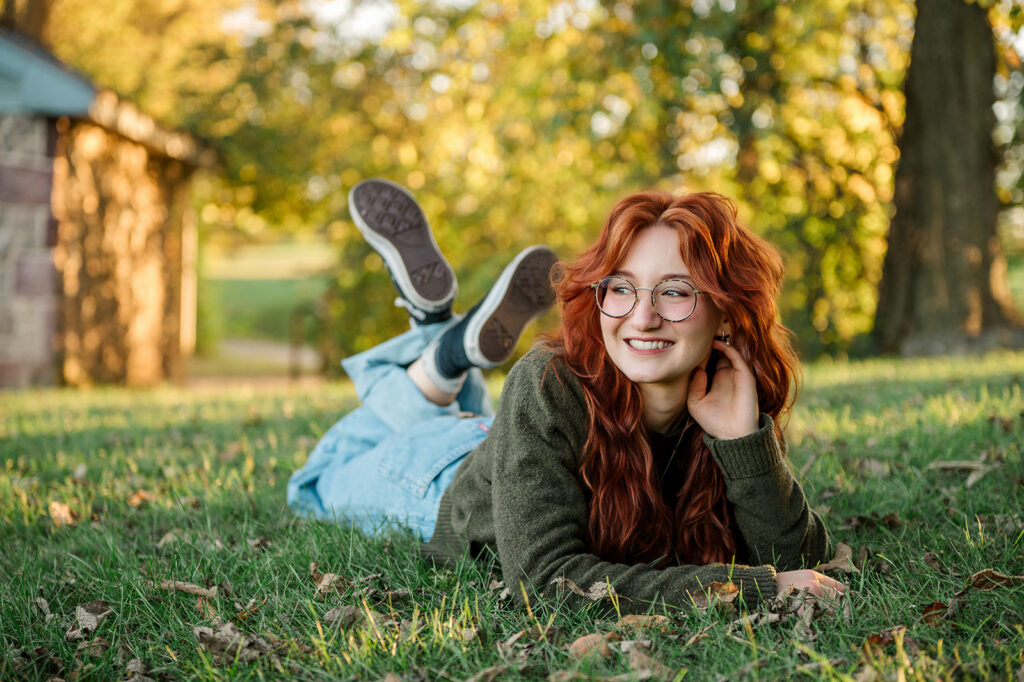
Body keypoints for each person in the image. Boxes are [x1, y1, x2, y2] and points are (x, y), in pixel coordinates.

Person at [288, 178, 844, 614]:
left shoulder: (733, 395)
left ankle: (439, 344)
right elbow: (545, 582)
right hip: (430, 479)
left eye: (675, 292)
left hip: (503, 443)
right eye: (621, 288)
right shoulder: (547, 382)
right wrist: (751, 590)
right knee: (310, 484)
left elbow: (803, 562)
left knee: (465, 411)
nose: (642, 316)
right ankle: (439, 349)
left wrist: (744, 440)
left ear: (725, 311)